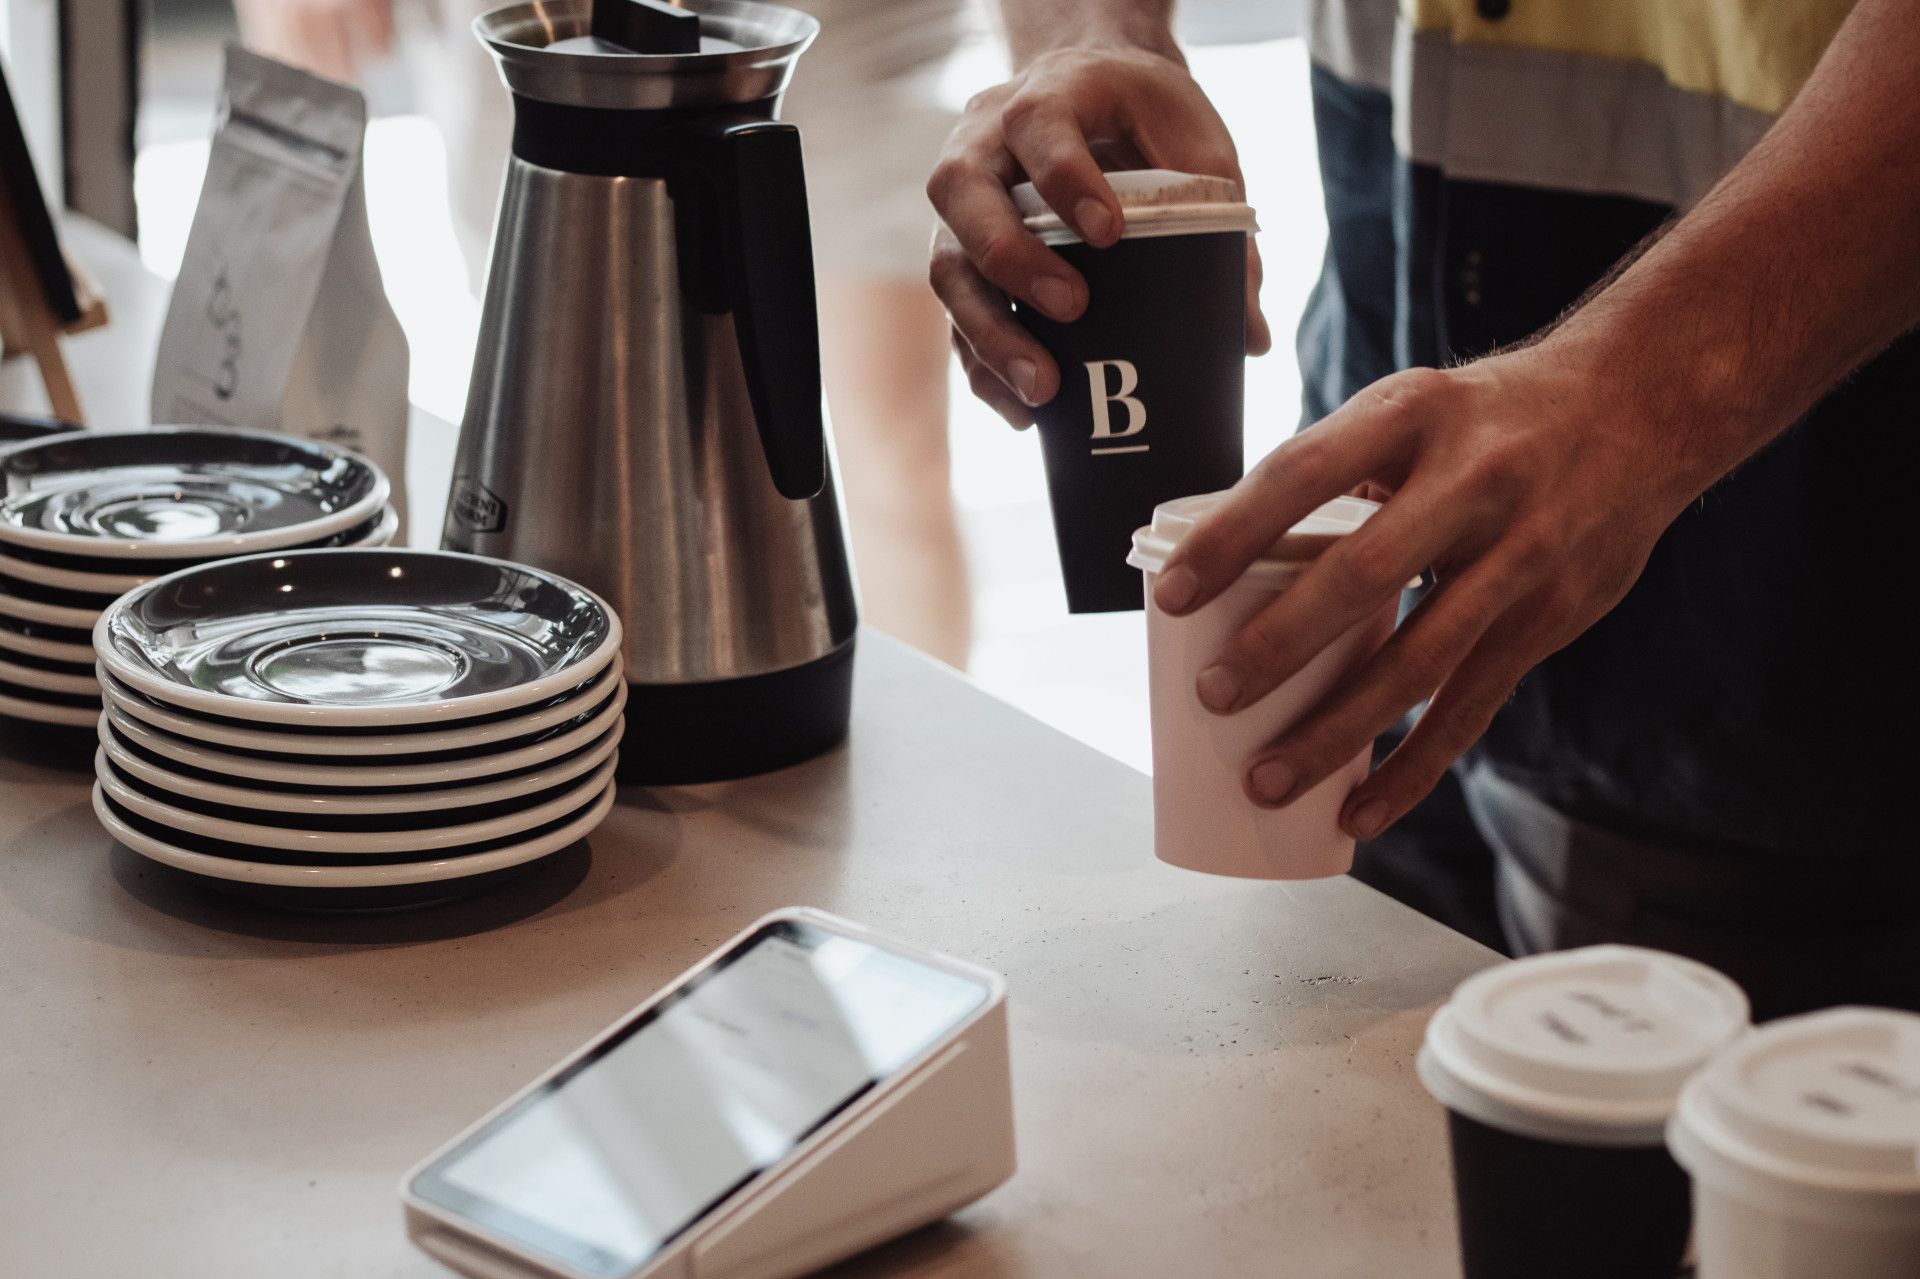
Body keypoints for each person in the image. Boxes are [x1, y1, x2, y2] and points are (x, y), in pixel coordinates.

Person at [929, 0, 1920, 1018]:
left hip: (1783, 590)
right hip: (1381, 488)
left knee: (1637, 1156)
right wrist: (1090, 37)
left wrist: (1643, 396)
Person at [235, 0, 978, 670]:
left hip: (836, 23)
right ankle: (556, 724)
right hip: (542, 31)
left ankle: (881, 767)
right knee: (556, 432)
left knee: (892, 454)